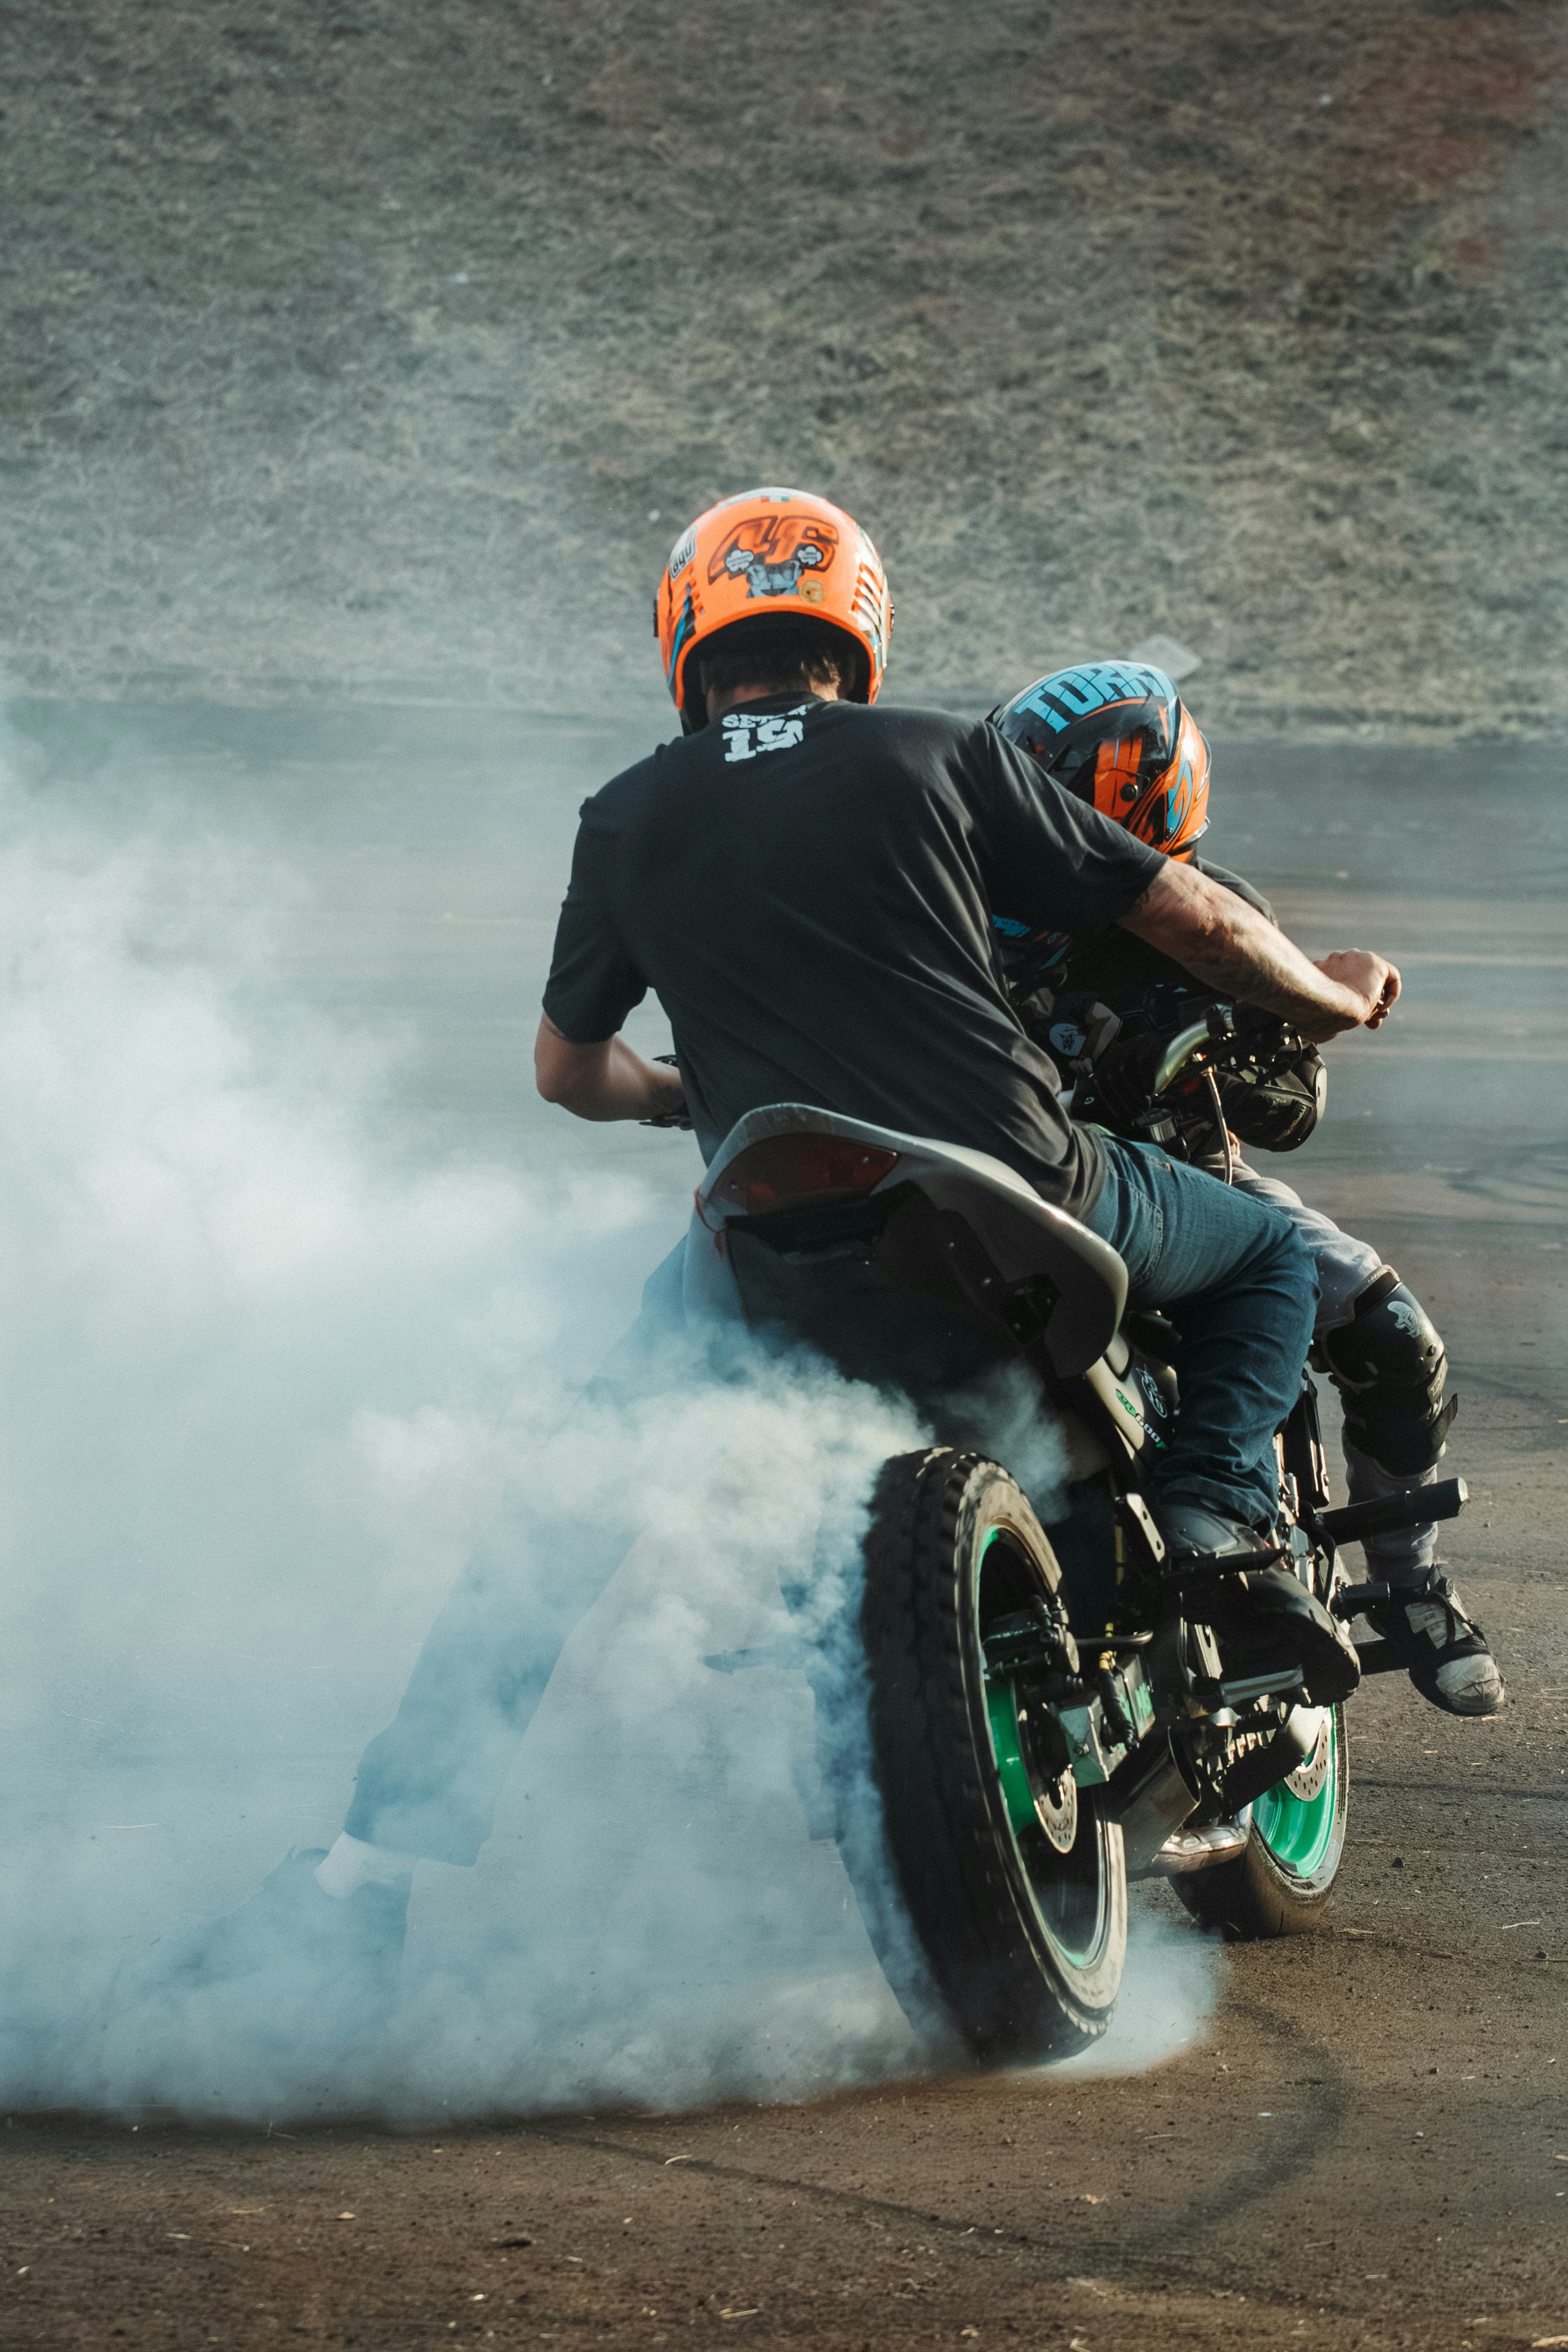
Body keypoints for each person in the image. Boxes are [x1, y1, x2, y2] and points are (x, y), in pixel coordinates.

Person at [146, 490, 1402, 2005]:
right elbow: (1179, 912)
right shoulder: (939, 751)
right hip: (1022, 1181)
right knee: (1266, 1256)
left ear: (688, 633)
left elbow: (566, 1071)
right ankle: (1215, 1526)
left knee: (561, 1509)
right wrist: (1328, 996)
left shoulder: (625, 812)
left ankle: (364, 1875)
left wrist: (686, 1093)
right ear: (855, 629)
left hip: (769, 1216)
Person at [985, 659, 1502, 1718]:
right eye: (1019, 779)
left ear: (1138, 805)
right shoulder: (970, 899)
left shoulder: (1216, 913)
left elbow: (1289, 1111)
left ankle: (1407, 1578)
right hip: (1022, 1182)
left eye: (1055, 788)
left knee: (1391, 1334)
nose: (1028, 809)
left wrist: (1202, 1041)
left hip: (1192, 1181)